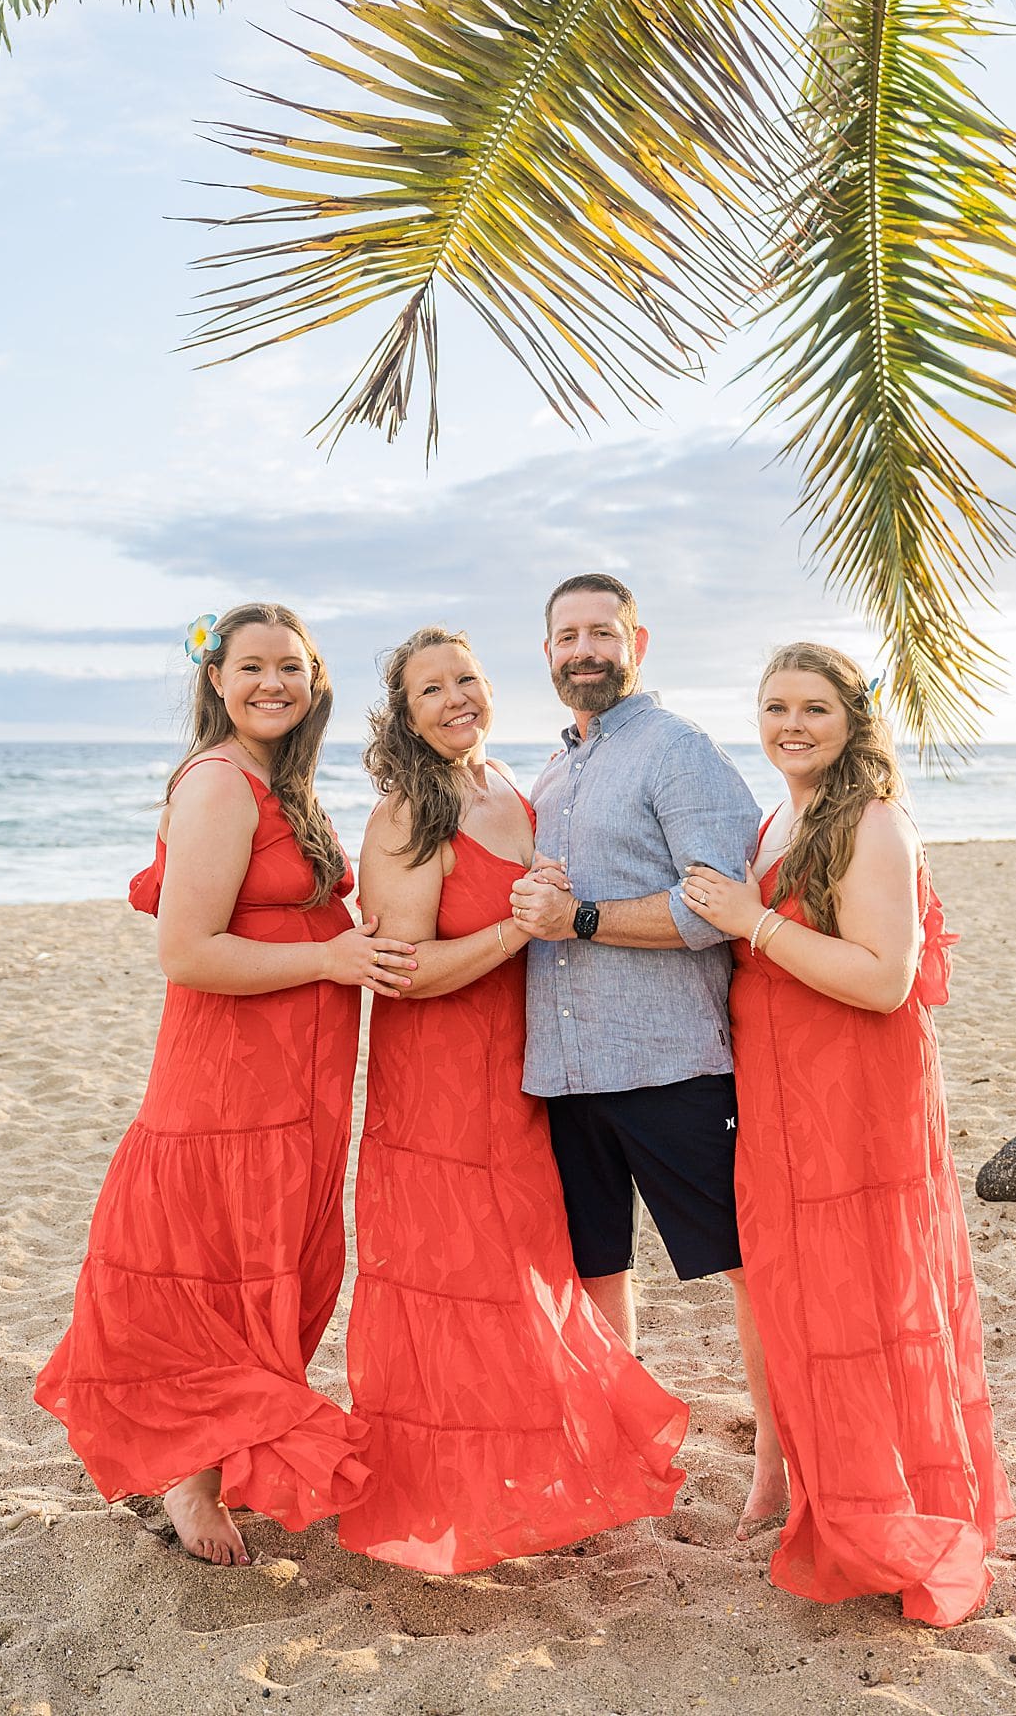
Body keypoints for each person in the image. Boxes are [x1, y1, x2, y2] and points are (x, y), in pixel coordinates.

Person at [35, 603, 417, 1567]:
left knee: (271, 1265)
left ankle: (216, 1455)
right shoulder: (219, 785)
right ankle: (190, 1479)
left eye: (290, 666)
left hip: (295, 1089)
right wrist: (332, 964)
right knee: (213, 1266)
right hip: (228, 1086)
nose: (271, 683)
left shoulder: (282, 783)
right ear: (217, 680)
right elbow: (188, 951)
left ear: (315, 681)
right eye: (251, 667)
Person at [336, 626, 688, 1574]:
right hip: (439, 1083)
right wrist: (518, 929)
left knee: (526, 1265)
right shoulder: (411, 812)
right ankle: (440, 1490)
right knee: (447, 1273)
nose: (456, 700)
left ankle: (538, 1466)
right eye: (430, 691)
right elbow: (400, 973)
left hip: (526, 1074)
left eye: (468, 681)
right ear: (403, 717)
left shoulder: (510, 791)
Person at [680, 641, 1014, 1626]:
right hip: (784, 1092)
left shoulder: (872, 821)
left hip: (856, 1093)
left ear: (854, 719)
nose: (791, 723)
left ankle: (888, 1507)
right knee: (807, 1294)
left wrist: (754, 920)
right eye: (775, 703)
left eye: (814, 707)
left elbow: (884, 977)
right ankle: (833, 1486)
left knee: (864, 1292)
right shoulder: (780, 812)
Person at [508, 573, 787, 1529]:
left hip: (669, 1062)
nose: (583, 649)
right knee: (596, 1275)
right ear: (545, 652)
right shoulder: (550, 774)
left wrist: (580, 918)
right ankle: (615, 1463)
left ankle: (777, 1472)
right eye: (565, 636)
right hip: (568, 1073)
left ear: (638, 640)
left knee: (749, 1271)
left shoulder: (678, 751)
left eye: (601, 632)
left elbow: (714, 907)